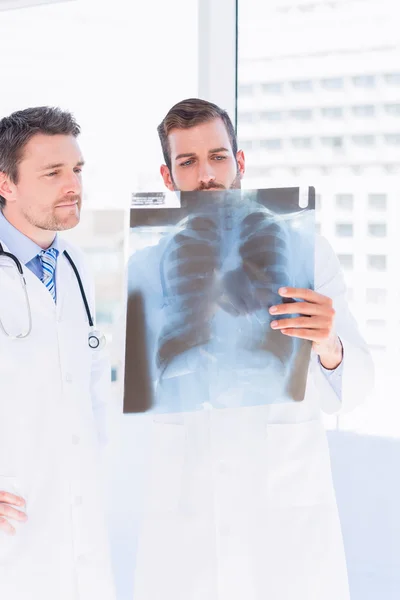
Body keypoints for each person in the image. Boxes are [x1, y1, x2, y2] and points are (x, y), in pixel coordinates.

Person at [125, 98, 374, 600]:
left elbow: (356, 388)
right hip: (187, 524)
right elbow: (114, 396)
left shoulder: (306, 250)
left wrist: (328, 340)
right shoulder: (145, 270)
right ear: (168, 176)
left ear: (240, 164)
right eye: (187, 162)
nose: (206, 175)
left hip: (283, 530)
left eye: (218, 157)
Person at [0, 107, 116, 600]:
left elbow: (87, 382)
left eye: (77, 170)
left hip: (77, 518)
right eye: (53, 173)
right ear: (6, 182)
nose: (73, 185)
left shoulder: (75, 264)